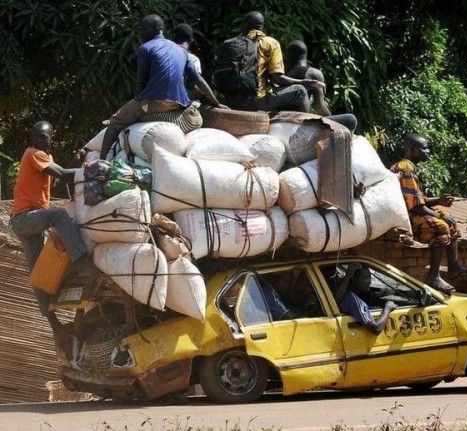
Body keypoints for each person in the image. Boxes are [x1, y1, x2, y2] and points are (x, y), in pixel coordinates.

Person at [100, 14, 225, 159]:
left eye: (143, 29)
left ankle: (101, 161)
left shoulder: (145, 48)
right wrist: (216, 102)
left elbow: (140, 83)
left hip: (153, 102)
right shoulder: (182, 51)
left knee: (115, 122)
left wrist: (138, 106)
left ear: (155, 29)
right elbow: (198, 79)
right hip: (179, 104)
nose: (140, 33)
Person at [10, 121, 88, 317]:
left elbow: (57, 182)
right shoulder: (32, 154)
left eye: (43, 137)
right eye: (36, 136)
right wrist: (89, 172)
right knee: (59, 215)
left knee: (37, 271)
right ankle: (80, 259)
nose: (39, 140)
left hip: (29, 223)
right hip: (24, 218)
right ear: (32, 139)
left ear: (51, 138)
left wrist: (75, 163)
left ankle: (48, 314)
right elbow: (61, 173)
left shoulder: (46, 157)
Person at [390, 134, 467, 294]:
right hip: (404, 218)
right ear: (412, 149)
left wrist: (439, 201)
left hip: (411, 212)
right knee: (440, 226)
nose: (428, 151)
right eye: (424, 148)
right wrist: (439, 216)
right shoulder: (406, 168)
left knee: (450, 219)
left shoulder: (409, 167)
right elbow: (415, 207)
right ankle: (433, 276)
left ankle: (454, 268)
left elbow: (419, 200)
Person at [221, 11, 324, 112]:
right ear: (262, 26)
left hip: (231, 100)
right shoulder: (271, 43)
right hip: (256, 101)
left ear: (245, 25)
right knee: (299, 90)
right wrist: (303, 82)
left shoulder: (231, 44)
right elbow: (277, 79)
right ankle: (307, 125)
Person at [286, 40, 358, 133]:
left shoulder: (285, 76)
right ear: (305, 55)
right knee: (351, 119)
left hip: (289, 120)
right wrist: (330, 120)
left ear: (290, 55)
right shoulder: (313, 73)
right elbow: (320, 108)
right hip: (304, 121)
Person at [332, 263, 397, 335]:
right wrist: (387, 308)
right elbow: (376, 329)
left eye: (370, 277)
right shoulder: (353, 300)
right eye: (365, 278)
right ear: (354, 279)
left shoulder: (354, 295)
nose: (369, 281)